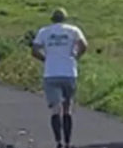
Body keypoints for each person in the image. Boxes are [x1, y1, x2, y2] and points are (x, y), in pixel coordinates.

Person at [31, 8, 88, 148]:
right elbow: (84, 44)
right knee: (67, 107)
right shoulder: (73, 30)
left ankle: (58, 141)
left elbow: (34, 50)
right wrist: (76, 56)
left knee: (56, 109)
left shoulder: (44, 31)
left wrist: (45, 59)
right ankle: (68, 141)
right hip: (69, 72)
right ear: (65, 18)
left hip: (51, 73)